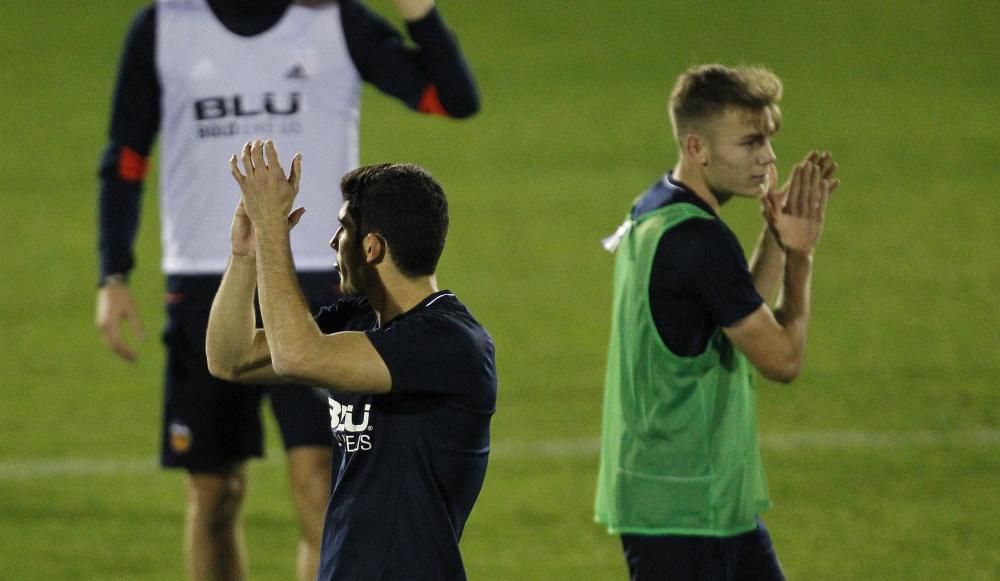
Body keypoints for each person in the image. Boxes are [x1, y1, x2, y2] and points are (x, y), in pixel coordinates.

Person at [94, 1, 479, 579]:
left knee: (321, 485)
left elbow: (452, 99)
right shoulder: (165, 26)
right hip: (207, 280)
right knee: (213, 493)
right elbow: (125, 159)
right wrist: (114, 273)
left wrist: (419, 11)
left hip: (323, 280)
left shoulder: (339, 22)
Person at [205, 140, 496, 580]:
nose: (332, 241)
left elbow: (297, 354)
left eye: (343, 229)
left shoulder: (449, 342)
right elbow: (232, 358)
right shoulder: (360, 317)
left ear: (372, 247)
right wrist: (245, 255)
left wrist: (272, 232)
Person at [594, 64, 840, 580]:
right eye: (750, 142)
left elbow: (731, 308)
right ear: (697, 147)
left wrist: (776, 235)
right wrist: (801, 258)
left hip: (691, 498)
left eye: (769, 140)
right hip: (684, 512)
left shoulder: (655, 207)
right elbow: (783, 359)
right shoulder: (699, 242)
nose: (768, 158)